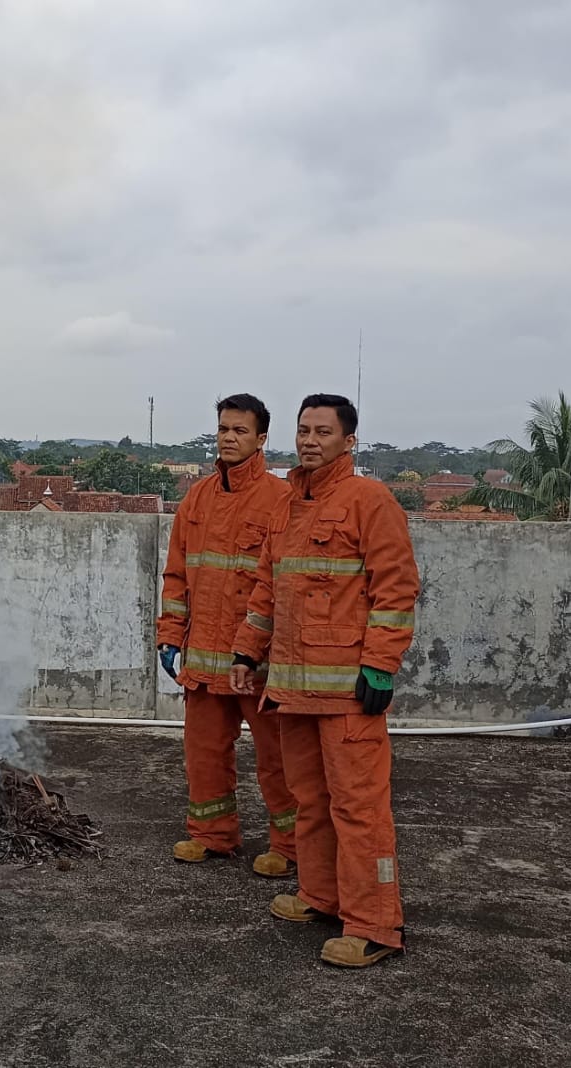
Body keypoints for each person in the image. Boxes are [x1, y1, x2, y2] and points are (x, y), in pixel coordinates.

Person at [230, 394, 419, 968]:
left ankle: (375, 925)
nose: (310, 440)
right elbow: (267, 586)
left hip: (346, 694)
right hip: (291, 689)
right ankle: (320, 896)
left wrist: (381, 665)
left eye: (323, 432)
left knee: (358, 809)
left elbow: (396, 588)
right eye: (303, 430)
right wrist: (246, 650)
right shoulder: (288, 507)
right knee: (309, 801)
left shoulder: (370, 500)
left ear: (348, 440)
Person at [157, 394, 299, 876]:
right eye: (223, 429)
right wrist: (170, 633)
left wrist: (259, 650)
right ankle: (212, 836)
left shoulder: (281, 500)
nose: (229, 438)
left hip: (256, 662)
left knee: (279, 760)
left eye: (240, 431)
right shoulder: (196, 498)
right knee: (203, 755)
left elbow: (284, 584)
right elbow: (177, 574)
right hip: (203, 657)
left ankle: (292, 846)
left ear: (261, 439)